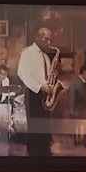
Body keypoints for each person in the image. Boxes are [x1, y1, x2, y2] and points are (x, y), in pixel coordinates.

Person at [17, 26, 63, 155]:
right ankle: (34, 155)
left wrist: (52, 83)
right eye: (46, 39)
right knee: (35, 127)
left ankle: (45, 153)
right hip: (33, 94)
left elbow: (47, 77)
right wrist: (40, 87)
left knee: (45, 126)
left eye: (50, 40)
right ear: (37, 37)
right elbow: (22, 73)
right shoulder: (27, 53)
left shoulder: (46, 57)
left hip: (45, 94)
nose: (49, 42)